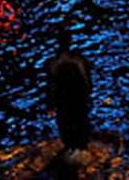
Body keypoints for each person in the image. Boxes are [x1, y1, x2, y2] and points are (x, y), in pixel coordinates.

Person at [48, 33, 93, 162]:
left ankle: (71, 147)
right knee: (80, 120)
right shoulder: (78, 60)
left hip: (64, 98)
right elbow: (87, 82)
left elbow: (51, 85)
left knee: (66, 122)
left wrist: (51, 103)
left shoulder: (54, 62)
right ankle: (80, 147)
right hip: (77, 96)